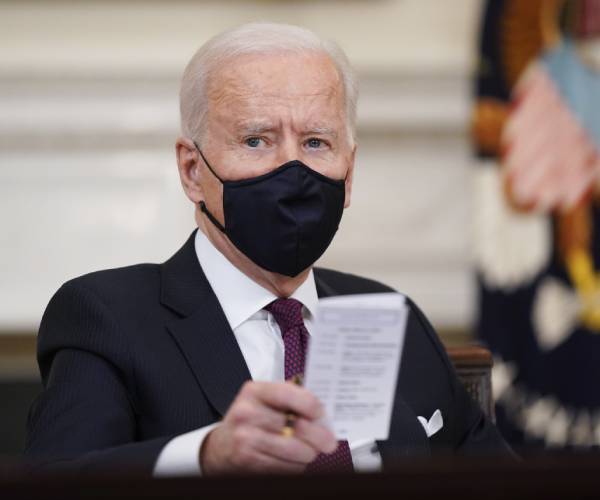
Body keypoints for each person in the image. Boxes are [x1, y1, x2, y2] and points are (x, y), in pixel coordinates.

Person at [24, 22, 511, 476]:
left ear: (349, 174)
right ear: (192, 170)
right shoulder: (107, 317)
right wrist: (207, 456)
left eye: (316, 142)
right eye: (256, 140)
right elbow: (54, 482)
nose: (292, 170)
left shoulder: (388, 314)